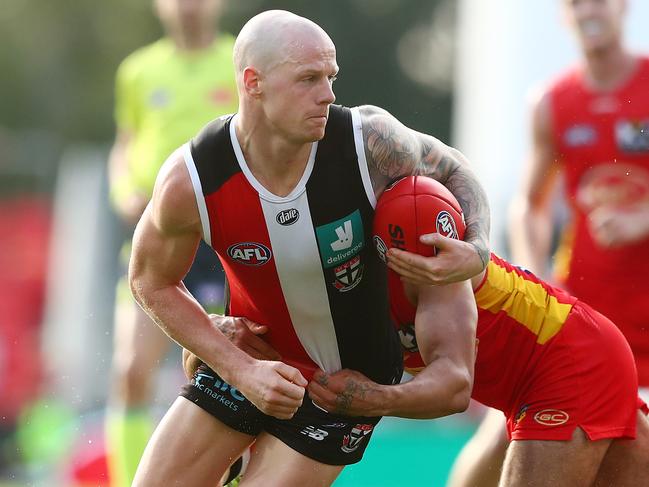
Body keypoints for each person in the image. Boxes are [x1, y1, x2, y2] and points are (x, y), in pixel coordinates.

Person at [128, 9, 491, 486]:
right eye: (308, 79)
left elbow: (455, 168)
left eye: (330, 76)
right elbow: (148, 280)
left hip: (343, 388)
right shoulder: (193, 177)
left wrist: (478, 247)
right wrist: (236, 367)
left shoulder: (369, 144)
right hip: (254, 358)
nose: (328, 94)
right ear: (253, 82)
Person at [449, 1, 649, 485]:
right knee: (507, 431)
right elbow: (529, 204)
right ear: (566, 16)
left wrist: (644, 218)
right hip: (591, 313)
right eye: (576, 2)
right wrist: (537, 272)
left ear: (623, 8)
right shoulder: (553, 100)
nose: (588, 10)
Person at [307, 251, 649, 486]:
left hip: (569, 358)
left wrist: (372, 399)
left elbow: (454, 391)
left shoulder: (411, 241)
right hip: (545, 374)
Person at [105, 1, 238, 485]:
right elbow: (124, 143)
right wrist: (123, 190)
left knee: (218, 374)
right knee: (129, 370)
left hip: (220, 242)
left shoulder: (240, 57)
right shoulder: (138, 70)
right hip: (154, 236)